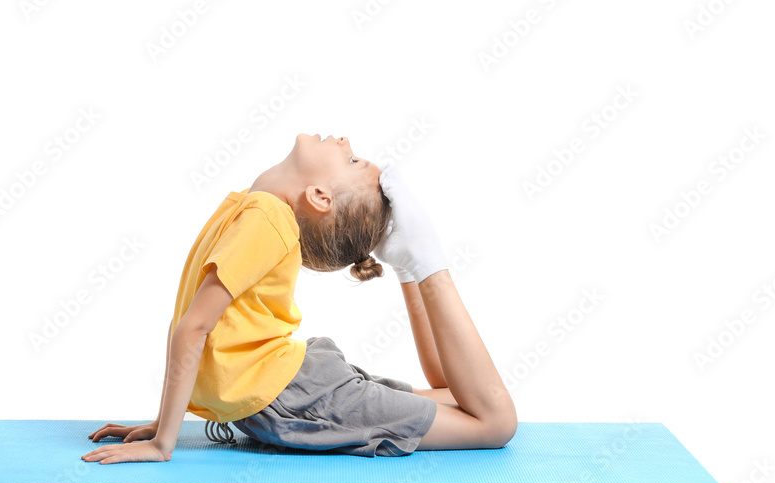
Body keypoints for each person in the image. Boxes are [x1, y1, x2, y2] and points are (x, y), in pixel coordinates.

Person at [82, 133, 517, 463]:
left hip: (301, 395)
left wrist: (163, 442)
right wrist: (163, 423)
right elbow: (193, 326)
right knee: (462, 400)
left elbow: (194, 329)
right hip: (297, 386)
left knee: (494, 422)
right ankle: (411, 266)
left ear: (320, 196)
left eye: (351, 159)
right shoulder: (252, 209)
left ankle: (418, 264)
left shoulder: (266, 218)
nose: (344, 141)